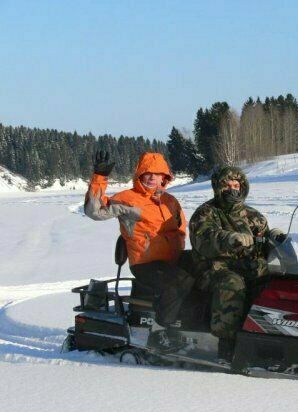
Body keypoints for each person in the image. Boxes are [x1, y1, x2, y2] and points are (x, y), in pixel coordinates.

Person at [84, 150, 193, 351]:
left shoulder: (171, 201)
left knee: (208, 273)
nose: (152, 177)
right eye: (147, 173)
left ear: (164, 177)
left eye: (157, 173)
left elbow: (180, 229)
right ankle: (162, 331)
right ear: (139, 176)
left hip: (173, 259)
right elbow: (94, 211)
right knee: (178, 281)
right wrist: (100, 177)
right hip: (146, 263)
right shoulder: (128, 199)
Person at [189, 166, 284, 361]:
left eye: (236, 185)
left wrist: (275, 238)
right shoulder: (206, 213)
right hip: (215, 269)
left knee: (277, 280)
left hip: (249, 267)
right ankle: (226, 345)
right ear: (217, 188)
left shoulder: (254, 216)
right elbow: (204, 239)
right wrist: (229, 238)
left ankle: (275, 333)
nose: (232, 189)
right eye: (226, 186)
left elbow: (263, 243)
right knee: (233, 284)